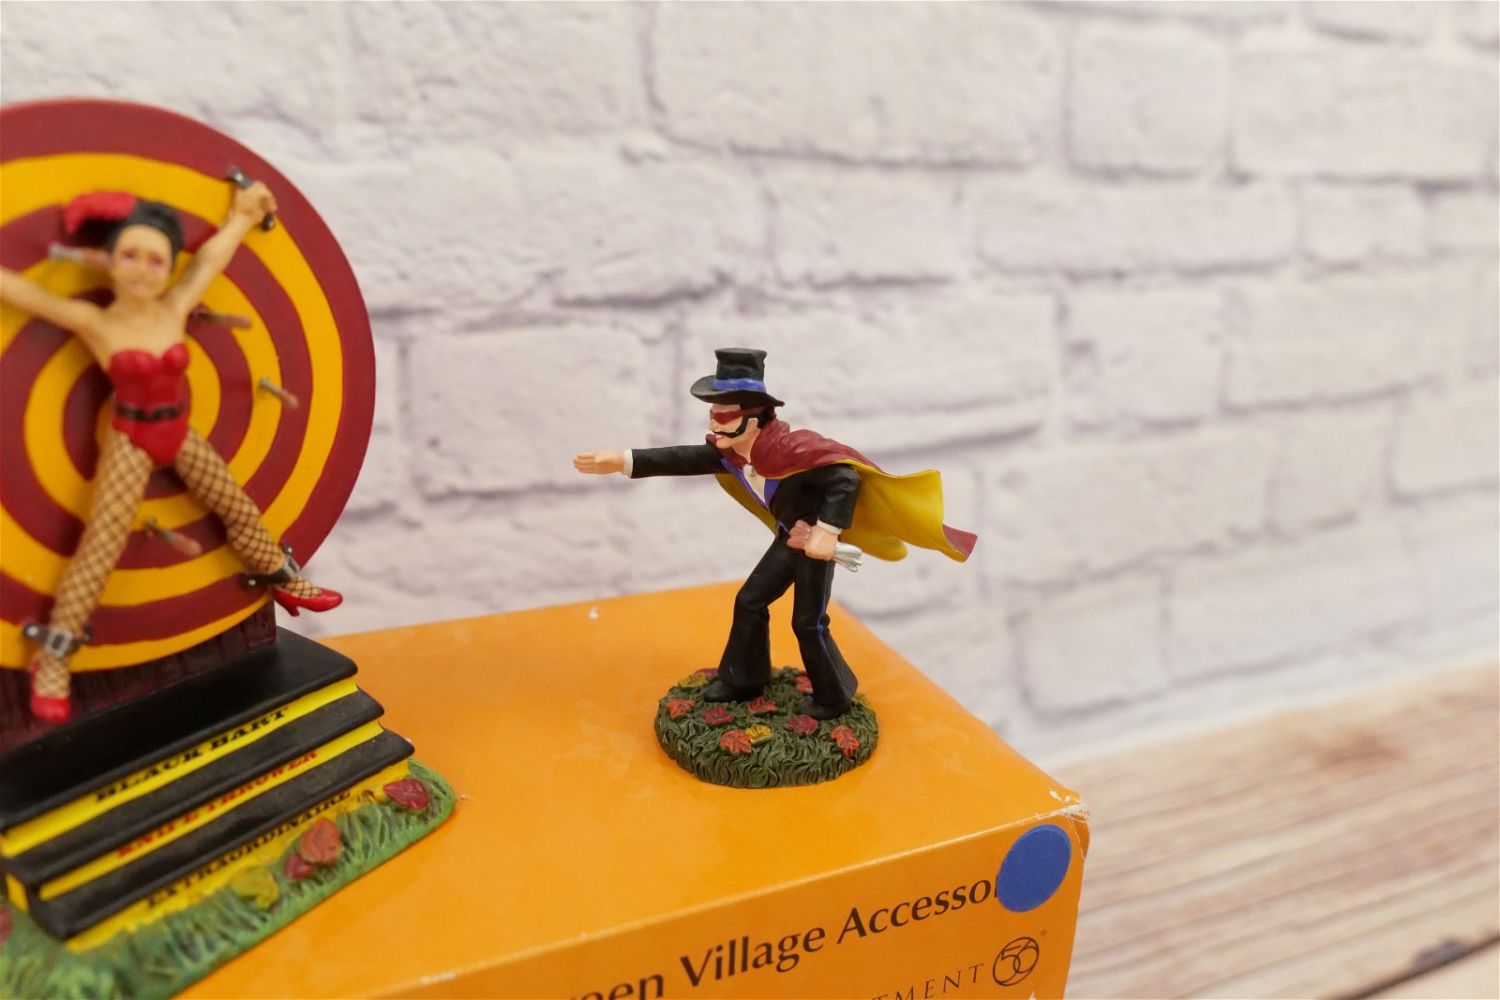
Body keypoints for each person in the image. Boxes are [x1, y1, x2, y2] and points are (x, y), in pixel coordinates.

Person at [0, 183, 341, 724]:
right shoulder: (97, 323)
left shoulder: (175, 306)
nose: (141, 270)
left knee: (236, 506)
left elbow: (210, 260)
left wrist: (242, 215)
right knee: (102, 544)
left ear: (168, 266)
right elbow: (27, 296)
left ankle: (283, 579)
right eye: (130, 256)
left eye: (155, 259)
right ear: (108, 261)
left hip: (179, 431)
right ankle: (56, 656)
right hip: (130, 439)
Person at [575, 347, 975, 720]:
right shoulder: (730, 454)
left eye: (724, 417)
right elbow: (680, 458)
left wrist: (827, 531)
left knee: (808, 622)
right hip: (788, 538)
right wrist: (622, 460)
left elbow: (845, 477)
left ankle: (834, 695)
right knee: (750, 600)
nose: (714, 424)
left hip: (813, 543)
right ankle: (744, 678)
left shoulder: (794, 448)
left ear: (755, 418)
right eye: (712, 415)